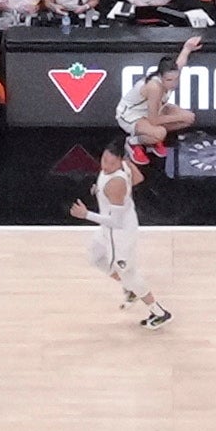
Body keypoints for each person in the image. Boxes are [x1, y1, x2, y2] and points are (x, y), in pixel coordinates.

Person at [77, 140, 167, 330]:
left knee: (129, 273)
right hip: (112, 227)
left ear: (119, 161)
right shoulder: (125, 165)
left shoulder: (116, 184)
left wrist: (86, 215)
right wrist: (101, 191)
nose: (105, 166)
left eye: (110, 163)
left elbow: (116, 222)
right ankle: (130, 290)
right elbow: (138, 179)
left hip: (120, 232)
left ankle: (158, 312)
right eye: (104, 160)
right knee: (95, 257)